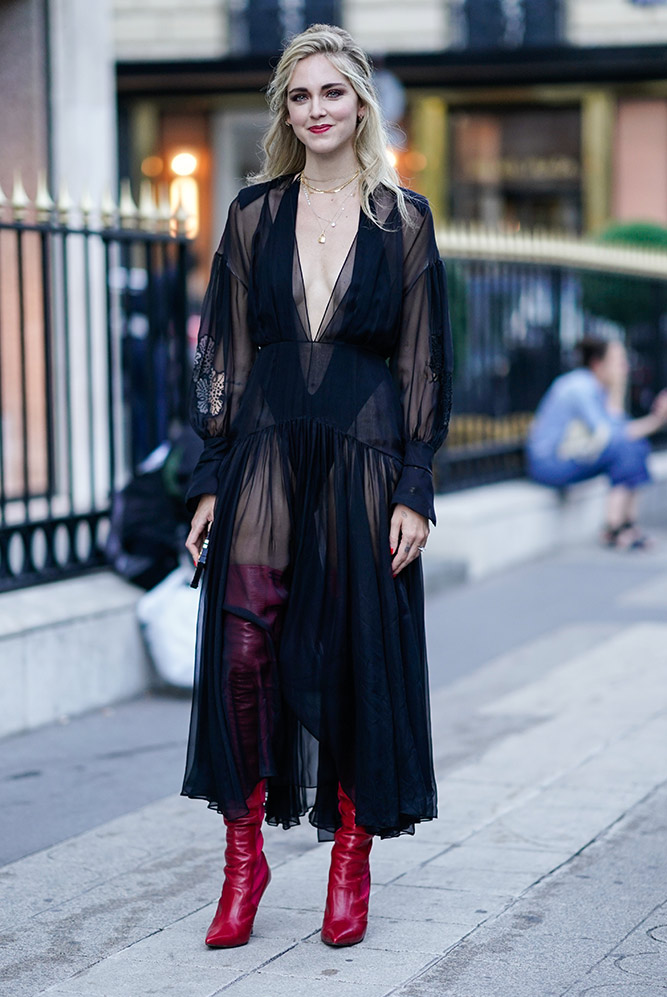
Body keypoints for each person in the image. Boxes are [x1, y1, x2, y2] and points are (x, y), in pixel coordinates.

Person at [181, 23, 453, 950]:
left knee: (347, 654)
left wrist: (415, 485)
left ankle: (349, 856)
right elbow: (227, 352)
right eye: (299, 97)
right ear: (284, 112)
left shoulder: (403, 218)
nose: (316, 111)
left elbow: (423, 364)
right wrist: (210, 477)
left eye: (332, 93)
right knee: (241, 648)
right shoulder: (254, 213)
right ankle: (244, 857)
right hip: (263, 452)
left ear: (360, 102)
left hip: (365, 458)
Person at [527, 337, 667, 548]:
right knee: (626, 448)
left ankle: (625, 524)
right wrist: (656, 420)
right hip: (550, 463)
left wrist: (618, 390)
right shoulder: (580, 387)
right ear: (598, 364)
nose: (625, 368)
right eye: (619, 362)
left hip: (570, 457)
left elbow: (619, 428)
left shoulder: (596, 387)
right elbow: (611, 436)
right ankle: (614, 527)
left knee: (637, 446)